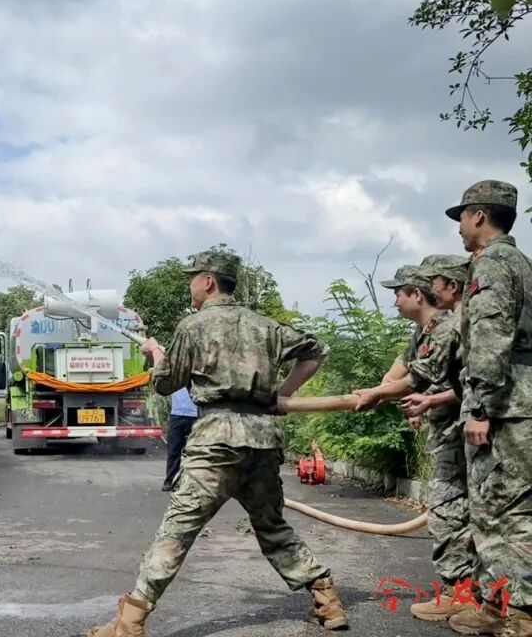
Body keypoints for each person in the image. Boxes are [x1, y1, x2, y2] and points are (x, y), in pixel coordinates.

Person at [87, 249, 348, 637]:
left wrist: (156, 353)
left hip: (215, 442)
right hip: (261, 440)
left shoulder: (194, 326)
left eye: (193, 277)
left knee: (177, 531)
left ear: (208, 281)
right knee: (272, 525)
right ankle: (328, 602)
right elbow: (316, 351)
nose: (190, 285)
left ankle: (130, 621)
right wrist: (281, 394)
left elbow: (165, 384)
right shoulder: (265, 325)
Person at [352, 260, 479, 623]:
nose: (394, 301)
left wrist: (376, 396)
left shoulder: (445, 329)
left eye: (398, 293)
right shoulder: (424, 332)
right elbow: (401, 368)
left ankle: (461, 592)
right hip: (449, 433)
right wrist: (377, 390)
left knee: (447, 513)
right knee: (460, 514)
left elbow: (416, 381)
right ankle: (472, 591)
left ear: (417, 294)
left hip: (463, 435)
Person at [441, 180, 532, 637]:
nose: (459, 226)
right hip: (519, 400)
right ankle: (498, 603)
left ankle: (518, 611)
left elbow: (491, 339)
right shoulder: (521, 263)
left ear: (478, 215)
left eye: (462, 216)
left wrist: (480, 408)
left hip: (505, 405)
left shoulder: (494, 263)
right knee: (508, 506)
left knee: (502, 509)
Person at [163, 387, 197, 492]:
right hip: (177, 414)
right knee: (174, 450)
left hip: (196, 414)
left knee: (196, 451)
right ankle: (170, 481)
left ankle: (195, 482)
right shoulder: (178, 373)